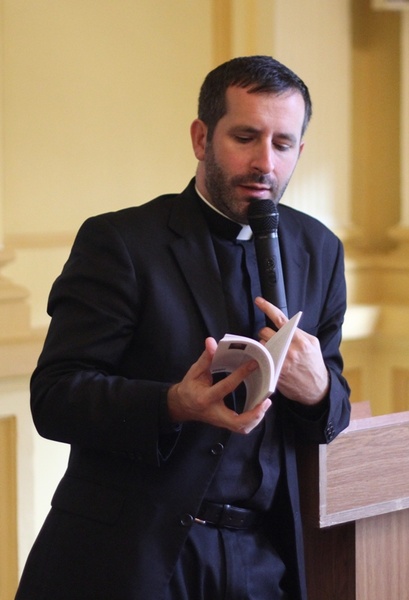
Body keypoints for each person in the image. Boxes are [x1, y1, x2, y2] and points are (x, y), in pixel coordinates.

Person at [15, 55, 351, 600]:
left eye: (283, 144)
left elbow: (332, 408)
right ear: (201, 138)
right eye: (245, 137)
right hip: (130, 557)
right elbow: (54, 397)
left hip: (264, 559)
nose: (265, 162)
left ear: (299, 151)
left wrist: (318, 390)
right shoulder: (122, 243)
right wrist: (172, 404)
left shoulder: (320, 251)